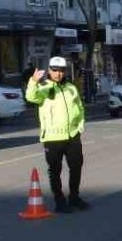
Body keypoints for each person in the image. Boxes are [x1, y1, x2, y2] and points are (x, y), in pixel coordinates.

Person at [25, 56, 88, 213]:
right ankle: (60, 202)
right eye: (55, 70)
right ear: (49, 70)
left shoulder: (71, 88)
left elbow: (79, 107)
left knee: (76, 166)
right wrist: (33, 81)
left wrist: (80, 125)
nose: (58, 74)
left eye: (61, 71)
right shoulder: (44, 87)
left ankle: (74, 197)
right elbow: (31, 97)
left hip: (72, 135)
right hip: (53, 138)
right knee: (55, 170)